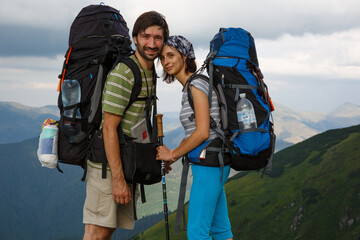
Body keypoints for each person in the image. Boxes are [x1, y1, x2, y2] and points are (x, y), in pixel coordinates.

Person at [83, 11, 169, 240]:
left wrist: (153, 157)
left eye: (158, 38)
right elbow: (109, 127)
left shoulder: (149, 72)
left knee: (107, 230)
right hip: (108, 168)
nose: (152, 43)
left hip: (126, 163)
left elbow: (138, 122)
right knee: (96, 233)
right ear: (135, 38)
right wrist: (119, 180)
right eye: (146, 36)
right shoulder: (125, 73)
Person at [157, 35, 233, 240]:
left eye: (171, 55)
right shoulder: (192, 86)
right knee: (221, 230)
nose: (166, 62)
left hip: (209, 165)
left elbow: (202, 131)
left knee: (197, 233)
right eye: (162, 58)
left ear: (185, 56)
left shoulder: (196, 85)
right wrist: (170, 157)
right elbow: (193, 133)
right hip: (212, 164)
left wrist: (172, 153)